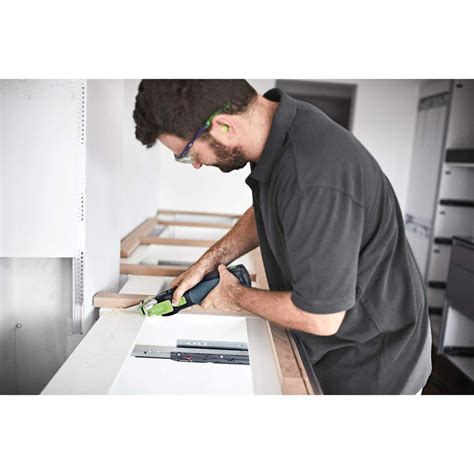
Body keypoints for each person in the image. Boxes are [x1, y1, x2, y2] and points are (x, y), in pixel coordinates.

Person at [133, 79, 432, 394]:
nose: (195, 164)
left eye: (187, 153)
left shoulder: (314, 177)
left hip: (373, 367)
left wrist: (234, 295)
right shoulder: (282, 128)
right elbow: (270, 208)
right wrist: (210, 261)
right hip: (344, 347)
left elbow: (321, 318)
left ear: (223, 126)